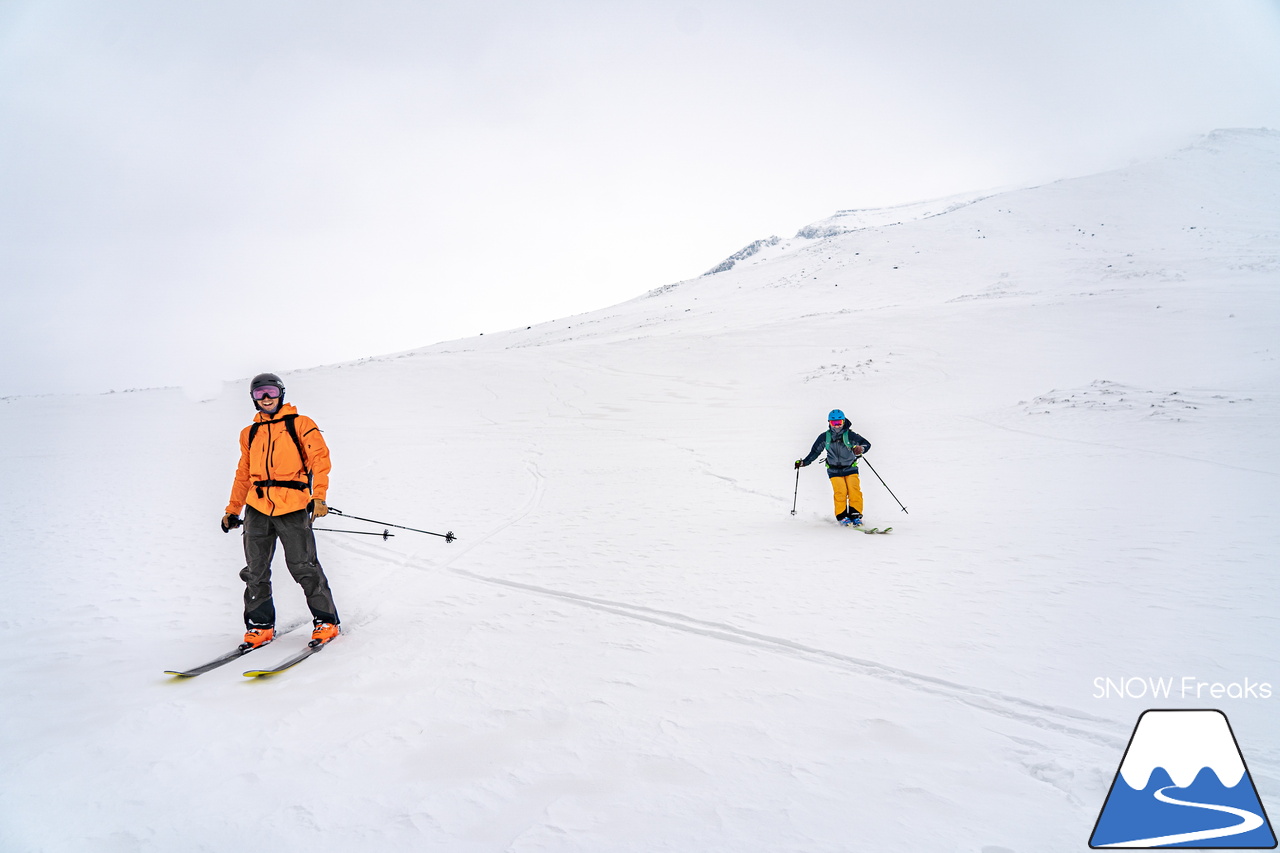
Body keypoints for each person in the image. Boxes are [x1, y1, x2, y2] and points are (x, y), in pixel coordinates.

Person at [221, 373, 340, 649]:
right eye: (259, 393)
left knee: (304, 566)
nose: (266, 398)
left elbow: (320, 460)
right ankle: (260, 625)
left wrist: (318, 496)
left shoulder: (300, 424)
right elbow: (243, 474)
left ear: (281, 394)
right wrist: (233, 509)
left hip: (294, 506)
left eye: (271, 392)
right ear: (253, 398)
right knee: (255, 570)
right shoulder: (249, 433)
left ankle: (326, 621)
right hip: (257, 508)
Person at [795, 408, 872, 526]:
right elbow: (815, 452)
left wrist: (860, 448)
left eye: (839, 423)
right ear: (829, 423)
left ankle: (855, 515)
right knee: (840, 492)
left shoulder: (850, 435)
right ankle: (842, 516)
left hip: (850, 467)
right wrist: (804, 462)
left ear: (843, 421)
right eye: (833, 423)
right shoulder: (825, 437)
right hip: (833, 470)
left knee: (854, 490)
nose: (836, 426)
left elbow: (866, 444)